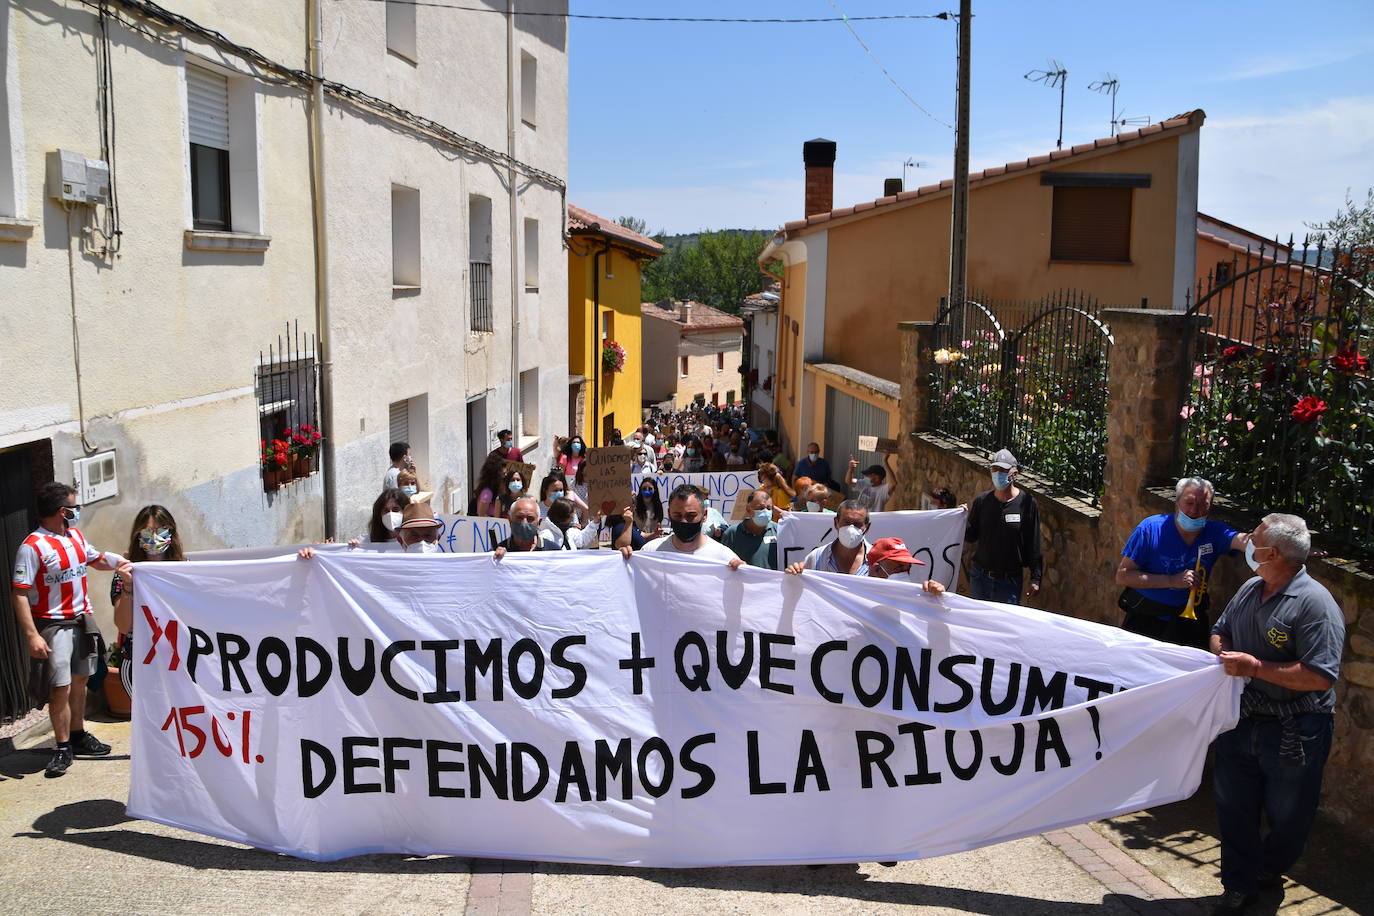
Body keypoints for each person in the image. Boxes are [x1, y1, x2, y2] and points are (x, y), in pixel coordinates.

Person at [1208, 514, 1344, 916]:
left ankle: (1270, 869)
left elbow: (1320, 676)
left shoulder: (1315, 605)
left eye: (1256, 539)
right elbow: (1221, 629)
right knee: (1233, 806)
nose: (1248, 542)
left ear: (1275, 554)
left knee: (1290, 816)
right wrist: (1222, 652)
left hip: (1297, 730)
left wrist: (1254, 667)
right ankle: (1238, 884)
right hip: (1243, 717)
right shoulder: (1252, 587)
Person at [11, 482, 131, 777]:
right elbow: (19, 592)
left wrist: (125, 563)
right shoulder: (32, 547)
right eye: (74, 507)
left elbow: (97, 559)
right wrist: (31, 635)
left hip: (82, 620)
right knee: (60, 687)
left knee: (80, 680)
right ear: (62, 511)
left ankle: (77, 736)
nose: (77, 512)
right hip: (53, 624)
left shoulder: (74, 535)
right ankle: (62, 747)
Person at [1117, 476, 1249, 649]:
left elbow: (1242, 541)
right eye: (1189, 503)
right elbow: (1123, 576)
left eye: (1203, 505)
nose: (1195, 510)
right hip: (1146, 617)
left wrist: (1264, 541)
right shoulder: (1150, 528)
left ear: (1210, 507)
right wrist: (1173, 581)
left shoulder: (1214, 532)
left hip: (1189, 623)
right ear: (1177, 502)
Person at [108, 505, 186, 711]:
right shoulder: (125, 573)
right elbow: (123, 626)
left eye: (160, 531)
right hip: (140, 662)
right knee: (152, 723)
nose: (154, 539)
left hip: (179, 659)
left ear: (171, 533)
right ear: (137, 536)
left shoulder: (185, 569)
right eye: (147, 533)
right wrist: (128, 587)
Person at [964, 448, 1043, 606]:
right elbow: (971, 535)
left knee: (1002, 629)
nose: (998, 473)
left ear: (1014, 473)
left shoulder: (1027, 503)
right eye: (995, 469)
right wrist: (961, 518)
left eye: (1002, 470)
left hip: (1009, 583)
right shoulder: (982, 501)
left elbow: (1033, 542)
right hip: (980, 579)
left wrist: (1036, 577)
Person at [637, 484, 743, 566]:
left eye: (691, 516)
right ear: (669, 514)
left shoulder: (724, 558)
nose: (683, 521)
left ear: (704, 515)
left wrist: (743, 576)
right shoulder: (650, 553)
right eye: (677, 515)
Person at [785, 501, 872, 575]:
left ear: (867, 528)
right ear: (836, 523)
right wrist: (794, 575)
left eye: (857, 524)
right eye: (846, 522)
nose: (851, 529)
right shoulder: (816, 558)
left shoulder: (880, 562)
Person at [720, 489, 779, 569]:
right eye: (760, 508)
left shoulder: (779, 531)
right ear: (748, 509)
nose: (766, 512)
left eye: (769, 508)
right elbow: (722, 563)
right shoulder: (732, 533)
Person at [867, 537, 946, 595]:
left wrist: (937, 596)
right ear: (877, 569)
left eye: (908, 569)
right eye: (899, 568)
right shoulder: (857, 598)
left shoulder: (910, 597)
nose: (904, 574)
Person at [613, 479, 665, 551]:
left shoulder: (657, 506)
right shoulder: (622, 525)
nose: (647, 491)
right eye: (644, 489)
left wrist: (655, 534)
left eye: (650, 489)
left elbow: (644, 534)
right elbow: (620, 544)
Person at [472, 452, 506, 518]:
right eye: (503, 474)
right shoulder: (487, 493)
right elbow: (481, 514)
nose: (505, 476)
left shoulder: (498, 489)